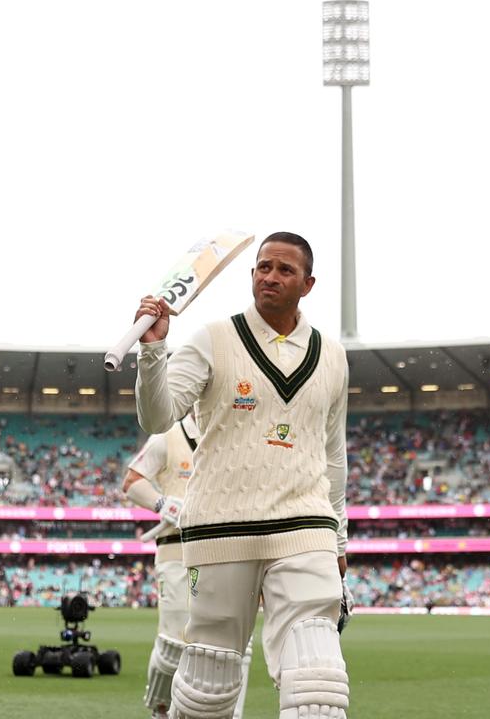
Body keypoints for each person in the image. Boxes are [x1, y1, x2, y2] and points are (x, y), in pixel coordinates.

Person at [133, 232, 352, 719]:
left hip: (305, 527)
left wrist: (338, 541)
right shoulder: (212, 339)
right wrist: (153, 353)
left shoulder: (333, 356)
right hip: (220, 527)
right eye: (263, 267)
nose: (270, 277)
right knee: (210, 684)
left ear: (308, 283)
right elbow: (157, 418)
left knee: (318, 685)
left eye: (284, 270)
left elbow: (333, 457)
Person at [125, 414, 255, 719]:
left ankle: (230, 714)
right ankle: (161, 707)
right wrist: (164, 504)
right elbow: (131, 482)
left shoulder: (236, 434)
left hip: (227, 550)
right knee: (173, 646)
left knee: (236, 646)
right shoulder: (167, 438)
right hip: (177, 550)